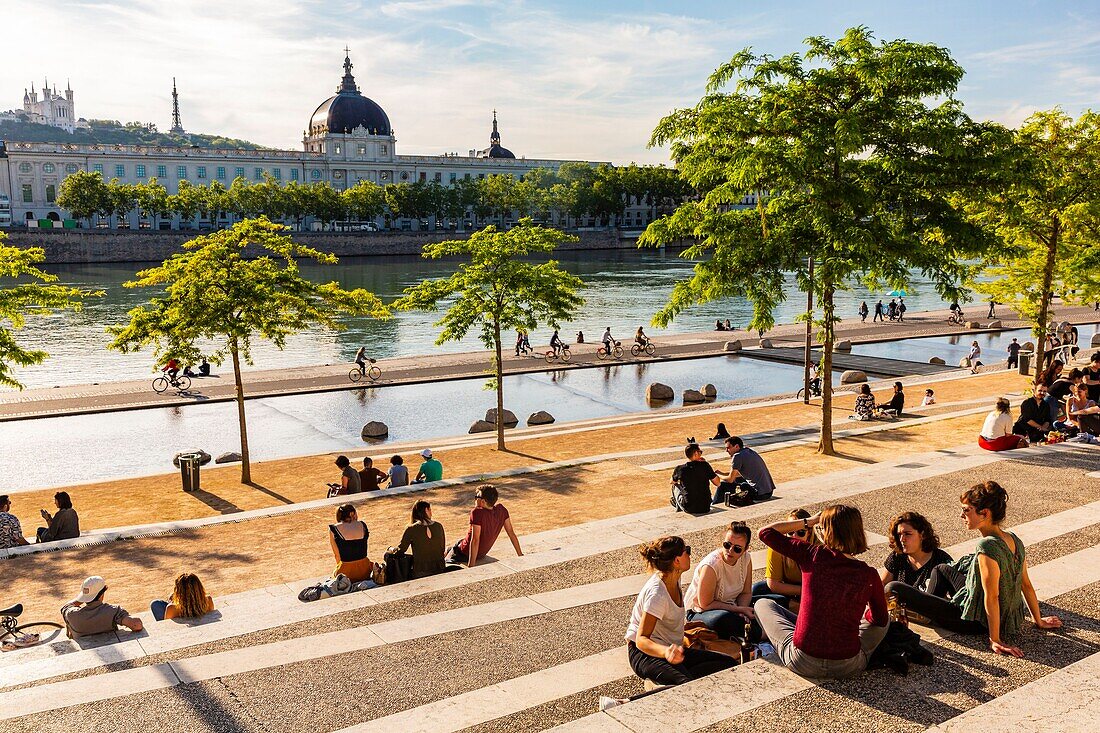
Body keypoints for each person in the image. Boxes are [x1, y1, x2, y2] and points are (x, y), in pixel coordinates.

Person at [885, 481, 1062, 657]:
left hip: (975, 622)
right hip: (992, 608)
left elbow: (992, 596)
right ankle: (930, 611)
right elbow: (1026, 584)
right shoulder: (1014, 539)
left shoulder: (986, 547)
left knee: (893, 588)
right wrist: (1038, 621)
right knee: (941, 569)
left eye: (966, 510)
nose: (962, 515)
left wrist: (995, 639)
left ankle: (928, 614)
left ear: (984, 513)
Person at [754, 505, 889, 679]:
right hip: (848, 664)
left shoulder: (812, 555)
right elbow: (880, 619)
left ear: (827, 532)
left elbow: (765, 532)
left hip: (803, 661)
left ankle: (806, 632)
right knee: (886, 621)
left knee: (762, 603)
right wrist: (865, 616)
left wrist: (808, 521)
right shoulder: (868, 574)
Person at [625, 536, 736, 686]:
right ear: (676, 561)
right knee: (686, 685)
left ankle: (664, 683)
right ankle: (626, 701)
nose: (690, 554)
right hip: (645, 654)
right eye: (687, 551)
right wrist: (665, 652)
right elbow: (641, 640)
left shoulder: (673, 577)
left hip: (674, 651)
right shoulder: (657, 594)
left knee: (727, 664)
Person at [684, 522, 761, 644]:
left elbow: (746, 592)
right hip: (702, 611)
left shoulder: (746, 558)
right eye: (727, 545)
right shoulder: (711, 566)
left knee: (773, 600)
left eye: (737, 549)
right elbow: (705, 604)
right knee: (723, 619)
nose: (730, 551)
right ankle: (761, 635)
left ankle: (751, 630)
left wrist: (742, 610)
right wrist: (738, 610)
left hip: (732, 605)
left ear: (745, 549)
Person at [751, 508, 813, 611]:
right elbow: (773, 584)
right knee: (757, 589)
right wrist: (802, 590)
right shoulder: (777, 547)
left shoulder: (817, 549)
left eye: (801, 532)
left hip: (813, 589)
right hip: (794, 589)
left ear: (809, 533)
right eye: (790, 532)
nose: (795, 537)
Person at [447, 484, 522, 568]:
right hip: (482, 554)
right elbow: (511, 533)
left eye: (477, 497)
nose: (475, 499)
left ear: (483, 501)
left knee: (449, 551)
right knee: (457, 542)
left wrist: (471, 566)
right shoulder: (502, 510)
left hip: (463, 553)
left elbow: (475, 540)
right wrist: (520, 554)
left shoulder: (477, 513)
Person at [880, 512, 952, 590]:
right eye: (899, 534)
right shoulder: (897, 556)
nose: (902, 539)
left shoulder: (941, 560)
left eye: (907, 534)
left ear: (922, 535)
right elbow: (881, 586)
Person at [61, 576, 143, 638]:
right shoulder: (113, 611)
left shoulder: (71, 615)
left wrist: (84, 598)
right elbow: (137, 625)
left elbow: (66, 606)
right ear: (102, 593)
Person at [712, 436, 776, 505]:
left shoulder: (737, 456)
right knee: (737, 479)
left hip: (759, 494)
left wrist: (718, 475)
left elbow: (730, 479)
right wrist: (723, 473)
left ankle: (714, 503)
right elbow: (738, 474)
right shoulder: (749, 451)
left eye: (728, 448)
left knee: (723, 485)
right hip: (768, 492)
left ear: (736, 446)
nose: (726, 450)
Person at [396, 500, 448, 579]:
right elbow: (442, 548)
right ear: (426, 510)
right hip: (439, 568)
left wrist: (391, 550)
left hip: (421, 571)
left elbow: (401, 550)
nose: (431, 512)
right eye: (430, 510)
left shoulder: (411, 529)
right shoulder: (439, 526)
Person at [670, 444, 722, 515]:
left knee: (674, 485)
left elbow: (672, 481)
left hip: (689, 508)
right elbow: (718, 483)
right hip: (705, 507)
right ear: (696, 453)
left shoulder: (680, 469)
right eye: (700, 452)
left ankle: (678, 506)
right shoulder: (705, 466)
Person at [328, 504, 372, 582]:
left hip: (346, 573)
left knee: (334, 574)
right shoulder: (362, 525)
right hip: (365, 570)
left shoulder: (334, 529)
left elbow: (337, 555)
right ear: (353, 513)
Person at [151, 573, 215, 622]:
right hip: (194, 610)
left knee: (156, 604)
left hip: (179, 612)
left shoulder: (171, 608)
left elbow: (166, 626)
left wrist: (174, 601)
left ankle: (173, 599)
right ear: (199, 588)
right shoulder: (208, 600)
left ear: (179, 591)